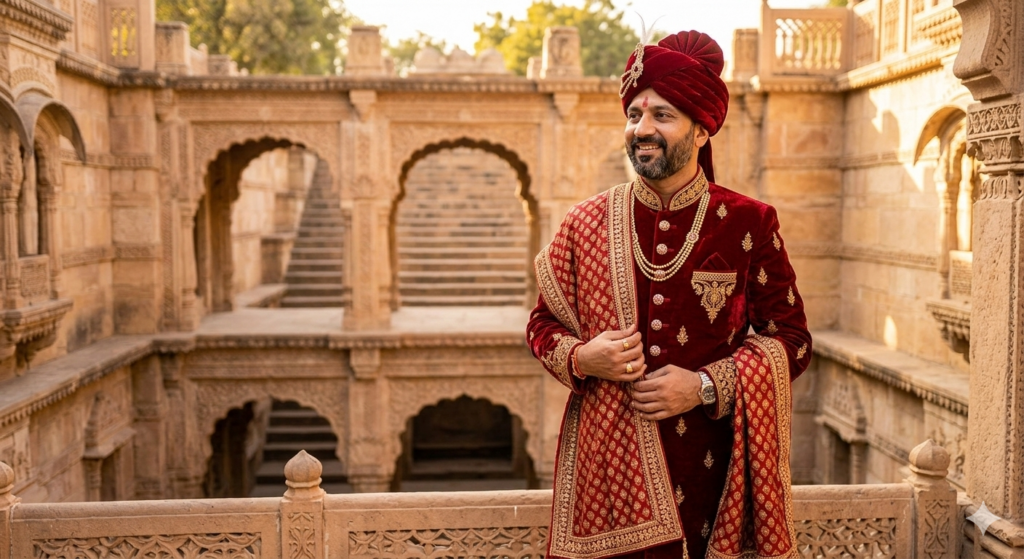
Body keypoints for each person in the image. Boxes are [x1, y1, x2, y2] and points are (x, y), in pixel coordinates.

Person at [527, 30, 811, 559]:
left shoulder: (747, 222)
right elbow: (542, 325)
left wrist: (705, 385)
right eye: (635, 114)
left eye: (663, 115)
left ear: (702, 130)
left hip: (713, 479)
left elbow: (792, 339)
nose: (642, 129)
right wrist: (583, 357)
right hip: (608, 480)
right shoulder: (585, 221)